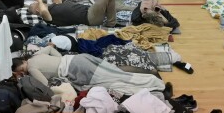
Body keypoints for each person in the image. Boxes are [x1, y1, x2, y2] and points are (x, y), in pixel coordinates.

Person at [12, 46, 166, 95]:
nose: (21, 73)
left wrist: (25, 79)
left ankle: (151, 81)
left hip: (77, 69)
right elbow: (51, 48)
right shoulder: (36, 56)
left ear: (21, 66)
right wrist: (61, 60)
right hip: (78, 59)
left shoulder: (31, 68)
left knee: (113, 80)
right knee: (115, 70)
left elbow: (45, 83)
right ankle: (149, 72)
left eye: (19, 71)